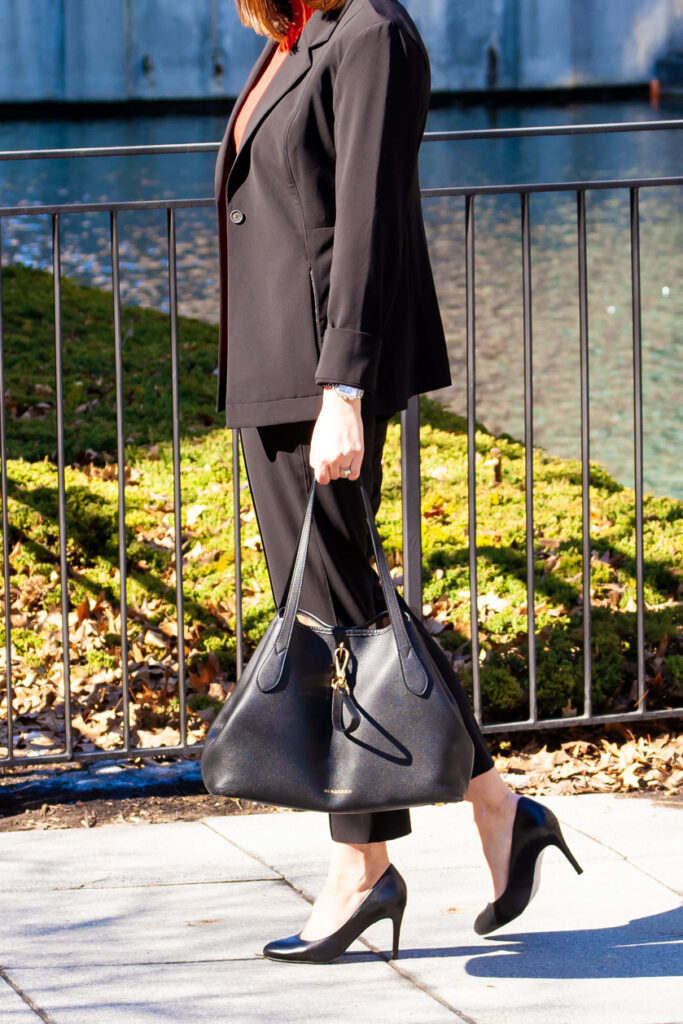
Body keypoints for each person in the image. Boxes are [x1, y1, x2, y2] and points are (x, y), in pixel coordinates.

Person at [212, 0, 582, 964]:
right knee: (349, 613)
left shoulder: (371, 30)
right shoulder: (300, 33)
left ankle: (367, 867)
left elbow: (369, 219)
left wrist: (342, 387)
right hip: (274, 367)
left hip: (318, 373)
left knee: (348, 617)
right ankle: (493, 811)